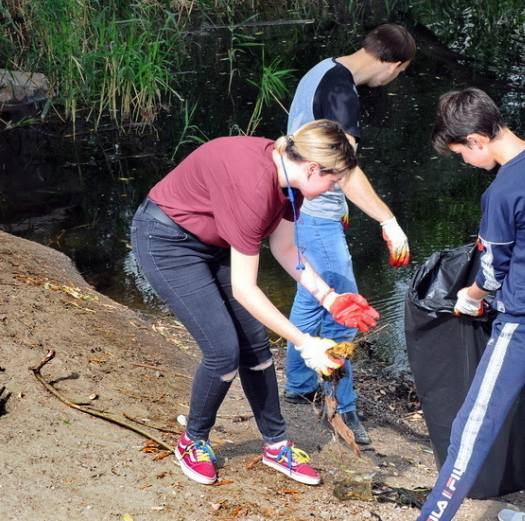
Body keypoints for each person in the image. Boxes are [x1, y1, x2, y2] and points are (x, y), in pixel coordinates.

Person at [130, 119, 380, 487]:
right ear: (312, 167)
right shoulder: (253, 186)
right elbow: (246, 290)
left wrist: (330, 297)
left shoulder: (291, 182)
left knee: (257, 349)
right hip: (167, 240)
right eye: (334, 179)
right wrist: (305, 342)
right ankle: (192, 440)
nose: (334, 188)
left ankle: (276, 445)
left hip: (214, 244)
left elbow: (286, 248)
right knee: (222, 351)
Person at [416, 88, 525, 521]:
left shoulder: (502, 193)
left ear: (476, 140)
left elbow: (490, 274)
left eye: (461, 154)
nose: (465, 162)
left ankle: (432, 517)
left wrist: (468, 298)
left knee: (470, 428)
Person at [282, 23, 417, 445]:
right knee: (345, 312)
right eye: (399, 72)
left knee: (310, 298)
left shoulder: (324, 69)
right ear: (392, 64)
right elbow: (344, 171)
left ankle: (300, 384)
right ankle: (344, 407)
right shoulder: (343, 93)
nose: (393, 79)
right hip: (316, 212)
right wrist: (387, 220)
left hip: (299, 204)